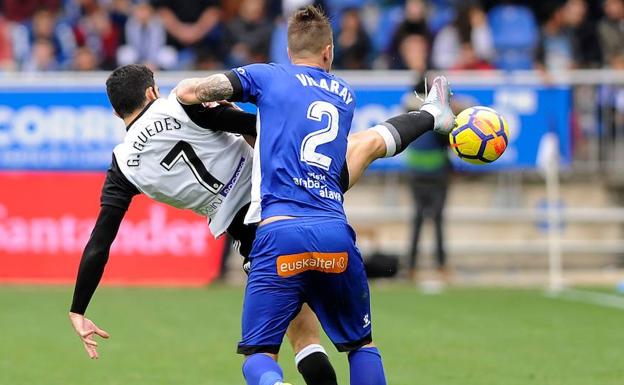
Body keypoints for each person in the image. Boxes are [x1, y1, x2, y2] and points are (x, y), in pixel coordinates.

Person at [67, 63, 452, 385]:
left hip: (253, 238)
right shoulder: (177, 107)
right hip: (285, 193)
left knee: (301, 336)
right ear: (151, 93)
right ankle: (432, 114)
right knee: (360, 145)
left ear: (119, 113)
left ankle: (432, 113)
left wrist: (79, 308)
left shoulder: (122, 165)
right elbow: (254, 127)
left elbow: (100, 241)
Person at [175, 6, 455, 385]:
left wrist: (208, 99)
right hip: (333, 231)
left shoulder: (267, 77)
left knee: (259, 356)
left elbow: (189, 92)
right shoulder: (344, 94)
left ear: (289, 53)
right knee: (362, 345)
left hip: (279, 233)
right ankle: (431, 116)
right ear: (329, 52)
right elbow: (349, 153)